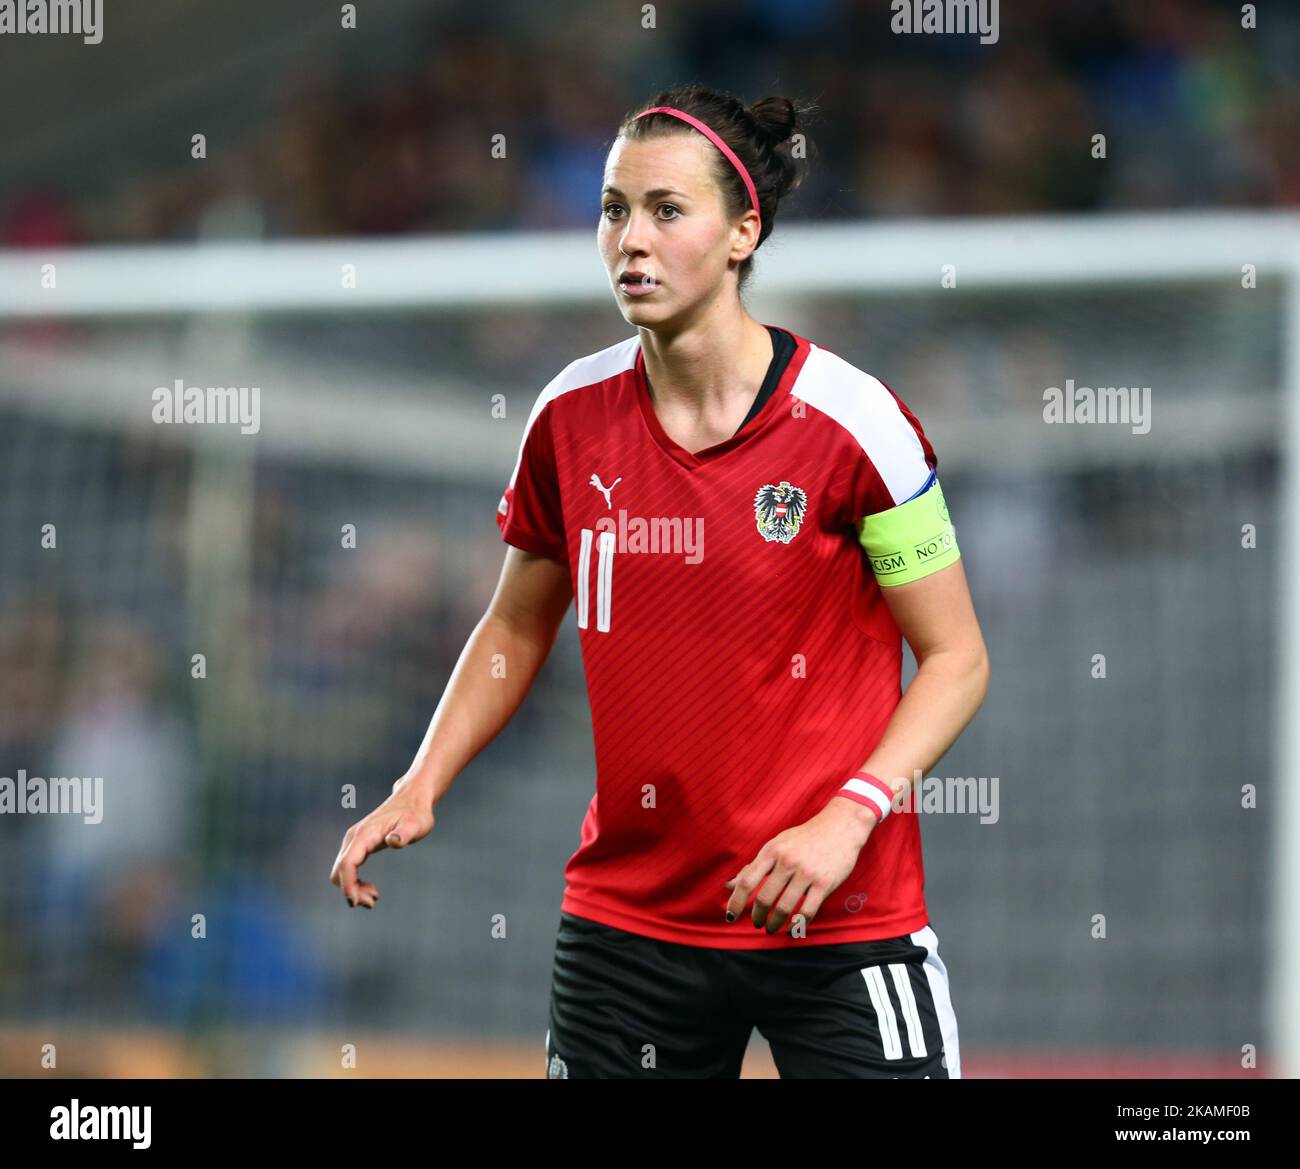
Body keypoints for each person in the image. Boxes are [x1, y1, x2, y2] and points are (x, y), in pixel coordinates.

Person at [330, 84, 990, 1079]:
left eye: (667, 210)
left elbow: (955, 657)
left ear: (741, 233)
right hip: (630, 927)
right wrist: (419, 783)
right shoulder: (568, 417)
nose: (632, 239)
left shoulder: (860, 425)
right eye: (613, 209)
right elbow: (515, 624)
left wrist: (848, 815)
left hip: (837, 917)